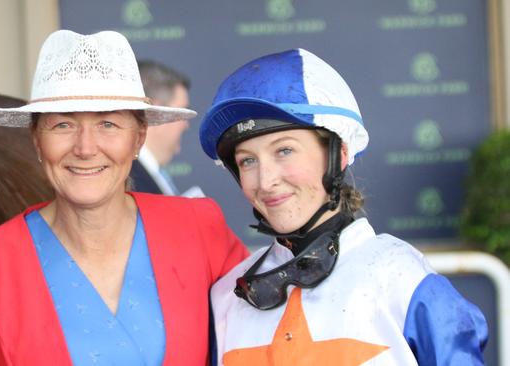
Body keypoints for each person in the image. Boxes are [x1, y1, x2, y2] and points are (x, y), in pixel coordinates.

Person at [0, 30, 248, 366]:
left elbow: (268, 335)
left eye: (108, 124)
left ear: (139, 137)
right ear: (35, 140)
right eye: (62, 124)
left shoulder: (198, 227)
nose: (84, 147)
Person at [198, 49, 488, 365]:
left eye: (284, 151)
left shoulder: (402, 277)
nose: (265, 181)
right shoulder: (226, 296)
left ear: (340, 152)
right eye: (248, 160)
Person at [130, 60, 194, 196]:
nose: (186, 125)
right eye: (181, 112)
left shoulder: (145, 174)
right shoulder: (128, 181)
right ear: (158, 112)